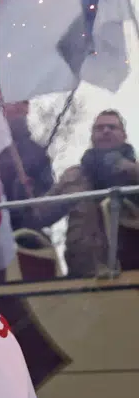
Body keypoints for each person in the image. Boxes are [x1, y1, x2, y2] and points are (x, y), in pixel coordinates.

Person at [49, 109, 139, 275]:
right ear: (92, 136)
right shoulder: (73, 176)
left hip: (133, 273)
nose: (106, 131)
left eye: (112, 127)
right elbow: (42, 214)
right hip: (86, 276)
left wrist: (129, 170)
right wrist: (22, 194)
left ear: (124, 135)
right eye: (99, 128)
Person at [0, 100, 56, 232]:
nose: (17, 106)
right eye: (11, 101)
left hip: (26, 234)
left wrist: (30, 191)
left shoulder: (38, 153)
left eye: (23, 102)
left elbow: (48, 200)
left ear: (27, 108)